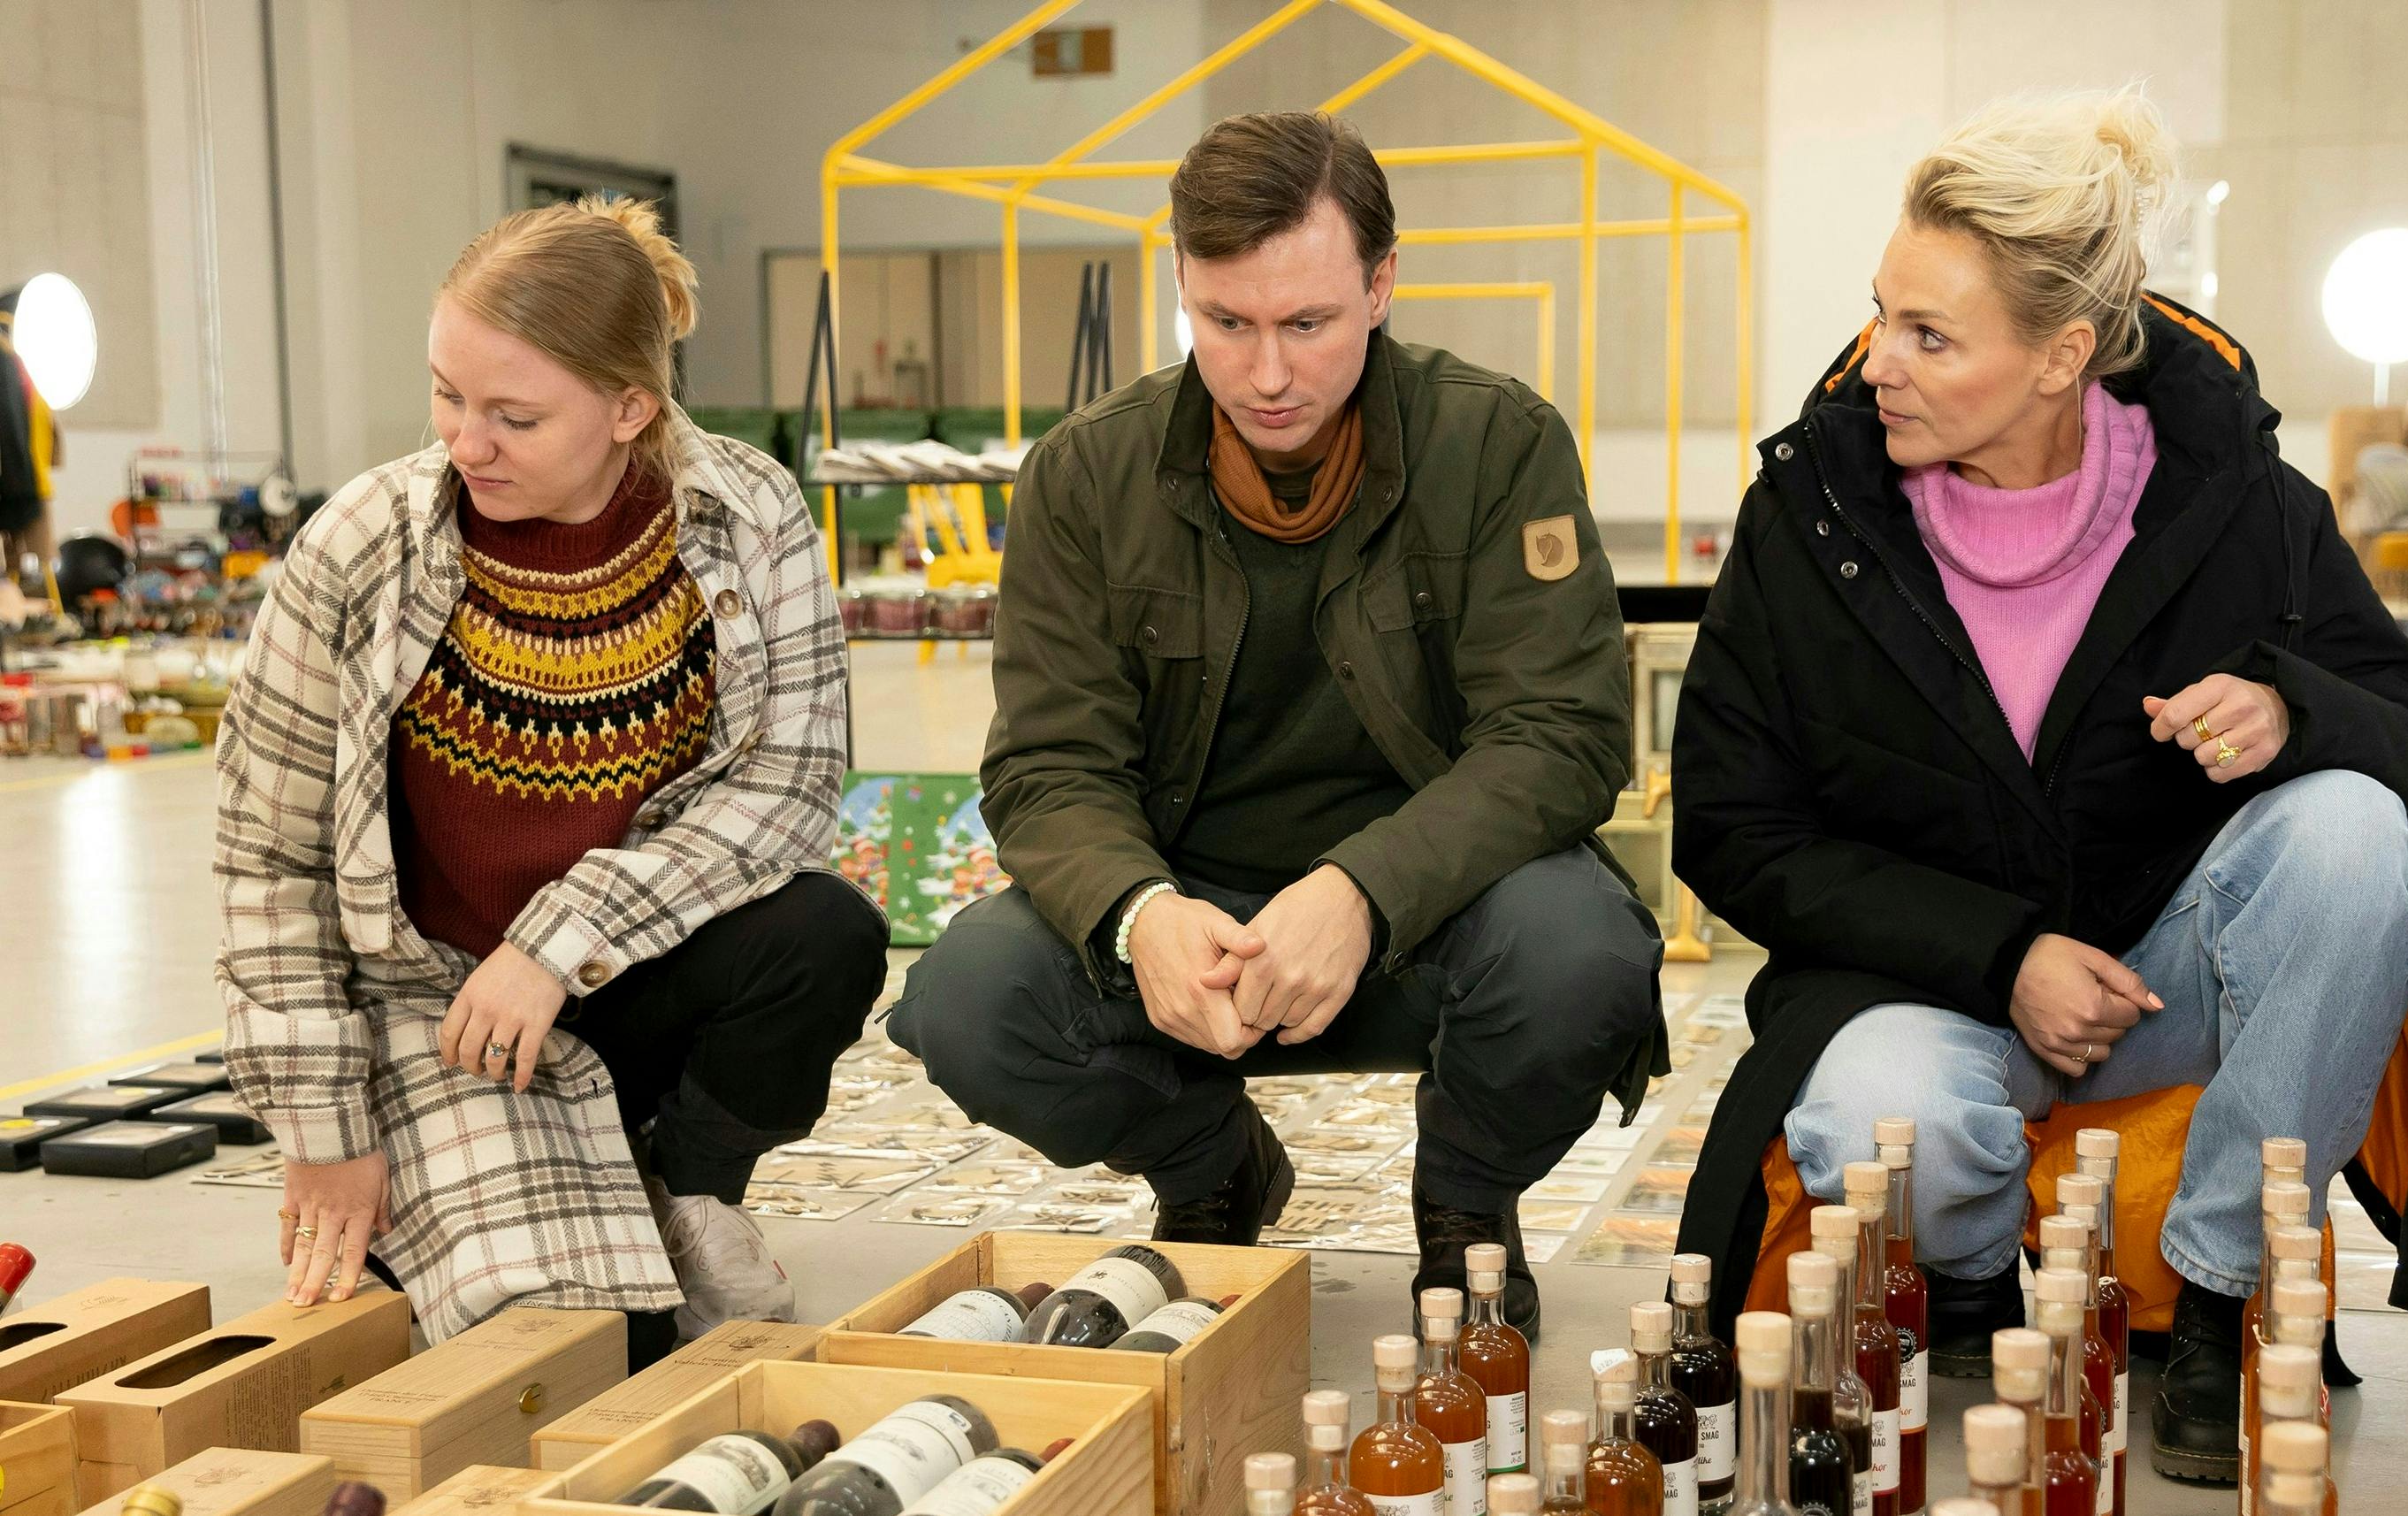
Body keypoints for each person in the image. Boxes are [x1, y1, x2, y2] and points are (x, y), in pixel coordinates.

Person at [1666, 89, 2408, 1484]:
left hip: (2172, 988)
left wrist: (2295, 713)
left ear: (2063, 356)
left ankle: (2215, 1291)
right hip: (1932, 993)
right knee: (1887, 1117)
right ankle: (1981, 1293)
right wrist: (2000, 956)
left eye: (1931, 336)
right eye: (1882, 312)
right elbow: (1733, 826)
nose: (1880, 361)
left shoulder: (2243, 506)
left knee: (2356, 829)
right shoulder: (1814, 520)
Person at [887, 111, 1665, 1336]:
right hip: (1190, 925)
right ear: (1183, 287)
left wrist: (1361, 889)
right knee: (971, 999)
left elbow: (1562, 734)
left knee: (1589, 953)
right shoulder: (1086, 476)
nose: (1265, 374)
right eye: (1225, 322)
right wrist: (1140, 916)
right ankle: (1214, 1164)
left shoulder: (1497, 443)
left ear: (1383, 282)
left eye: (1306, 323)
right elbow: (1049, 764)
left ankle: (1465, 1206)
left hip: (1435, 919)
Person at [214, 196, 887, 1362]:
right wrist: (324, 1125)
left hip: (617, 971)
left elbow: (791, 777)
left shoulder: (747, 511)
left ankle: (688, 1189)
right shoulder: (354, 548)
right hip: (443, 1017)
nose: (464, 444)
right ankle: (546, 1192)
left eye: (513, 416)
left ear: (631, 406)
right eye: (446, 394)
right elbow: (267, 858)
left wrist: (560, 938)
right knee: (593, 1354)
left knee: (825, 934)